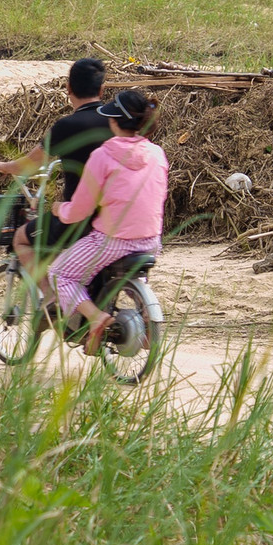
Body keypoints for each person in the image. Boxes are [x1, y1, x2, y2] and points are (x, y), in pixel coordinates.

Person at [44, 88, 167, 354]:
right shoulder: (157, 154)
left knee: (59, 274)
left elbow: (80, 210)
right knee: (131, 274)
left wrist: (59, 210)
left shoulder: (103, 156)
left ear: (113, 122)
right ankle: (143, 321)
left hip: (112, 241)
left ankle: (97, 318)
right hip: (150, 240)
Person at [0, 58, 114, 273]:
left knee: (21, 239)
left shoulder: (66, 126)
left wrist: (4, 166)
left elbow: (28, 165)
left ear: (68, 88)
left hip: (78, 219)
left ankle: (50, 298)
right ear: (102, 90)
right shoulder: (117, 123)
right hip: (116, 215)